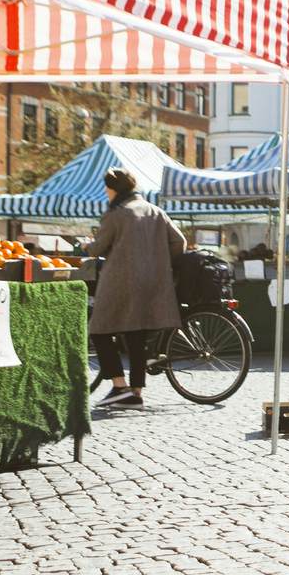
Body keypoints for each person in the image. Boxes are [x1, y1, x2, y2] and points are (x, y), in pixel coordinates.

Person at [89, 169, 186, 408]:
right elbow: (179, 242)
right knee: (136, 336)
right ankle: (136, 393)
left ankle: (119, 386)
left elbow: (96, 249)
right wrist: (159, 262)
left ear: (113, 189)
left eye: (107, 188)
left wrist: (86, 245)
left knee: (99, 331)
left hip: (121, 283)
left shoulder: (117, 213)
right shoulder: (156, 211)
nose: (105, 192)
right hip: (154, 284)